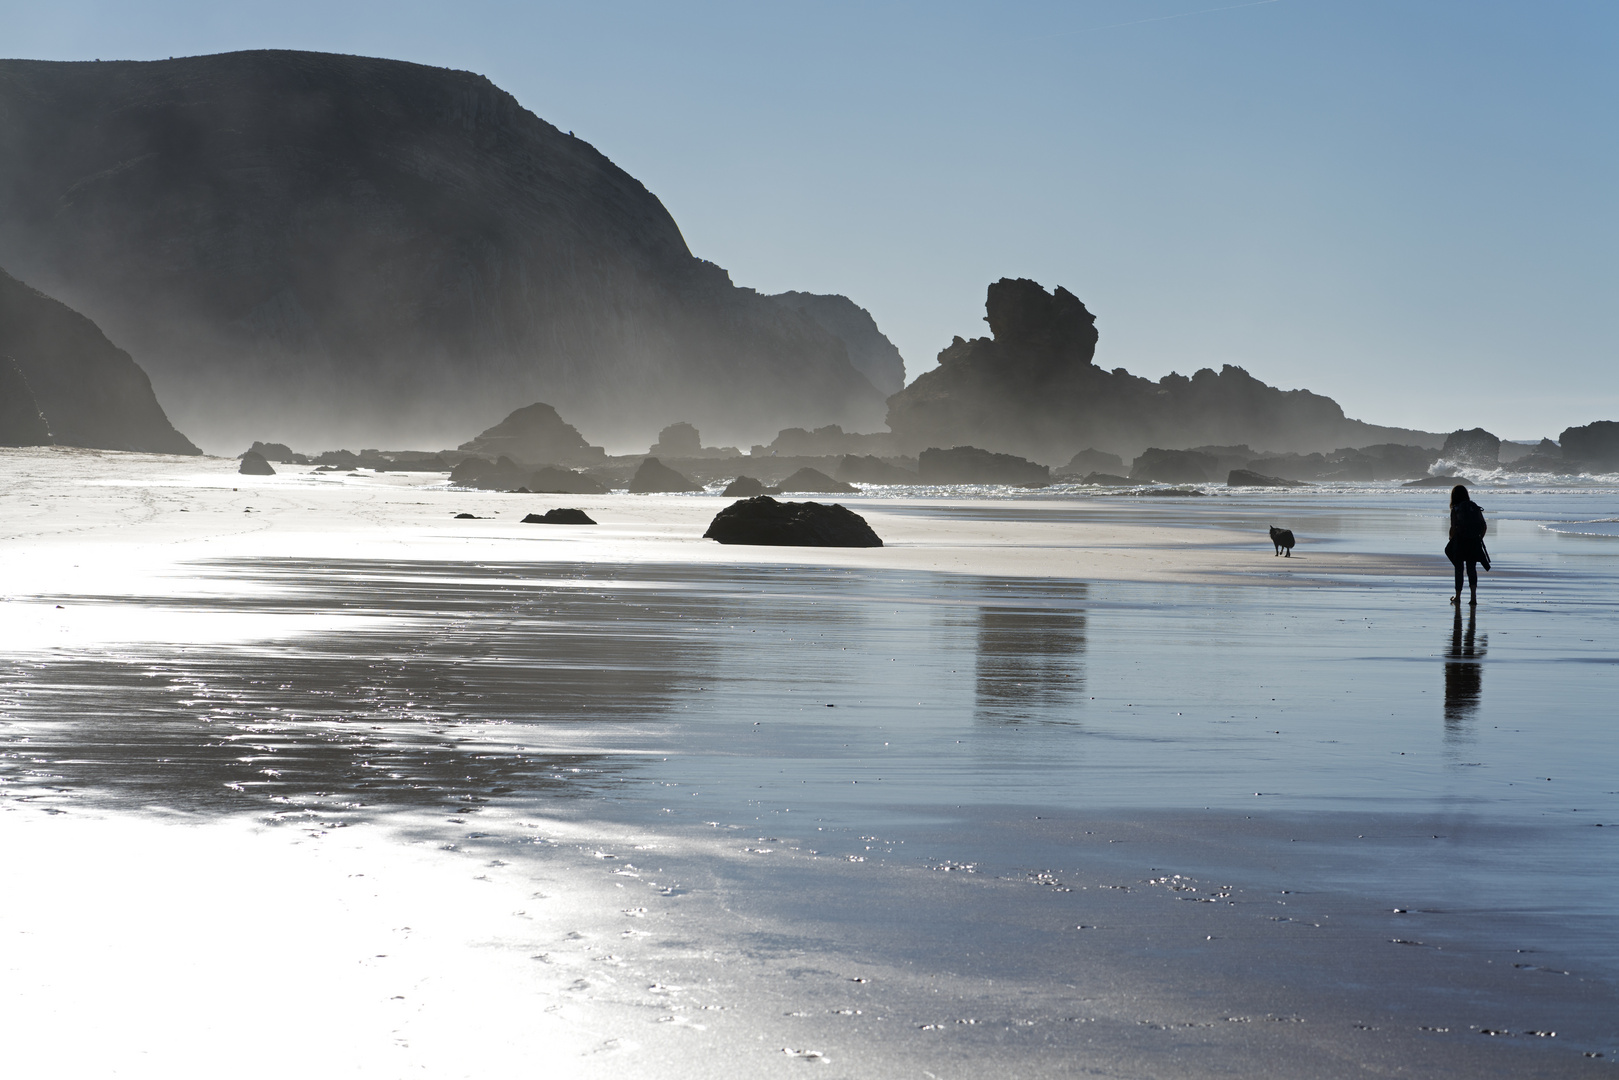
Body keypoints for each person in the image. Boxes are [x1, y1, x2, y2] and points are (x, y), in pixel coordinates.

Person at [1446, 484, 1489, 605]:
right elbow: (1484, 525)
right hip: (1474, 541)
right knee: (1472, 569)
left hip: (1460, 541)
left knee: (1459, 568)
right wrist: (1479, 538)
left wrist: (1451, 538)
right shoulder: (1474, 506)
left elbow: (1453, 527)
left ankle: (1458, 597)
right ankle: (1473, 597)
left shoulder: (1455, 509)